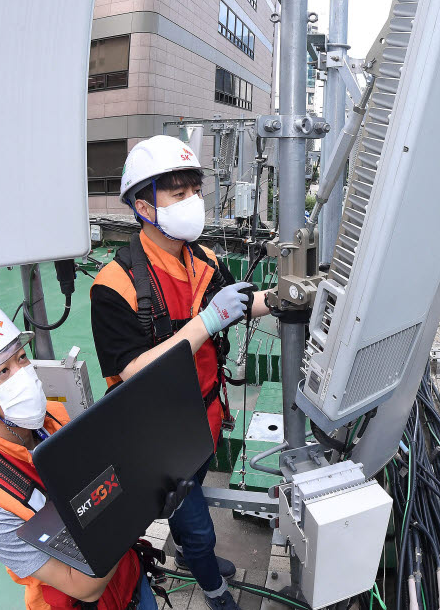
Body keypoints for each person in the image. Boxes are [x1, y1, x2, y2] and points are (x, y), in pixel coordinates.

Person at [89, 135, 271, 610]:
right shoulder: (115, 285)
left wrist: (287, 300)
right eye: (177, 192)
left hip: (206, 417)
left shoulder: (204, 260)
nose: (192, 201)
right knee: (195, 522)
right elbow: (130, 371)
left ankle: (195, 557)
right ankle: (212, 586)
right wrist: (207, 321)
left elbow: (240, 304)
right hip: (158, 437)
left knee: (199, 498)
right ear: (143, 205)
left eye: (194, 190)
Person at [0, 299, 158, 610]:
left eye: (22, 357)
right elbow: (83, 587)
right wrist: (143, 505)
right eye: (3, 372)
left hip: (129, 577)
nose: (23, 374)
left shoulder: (54, 416)